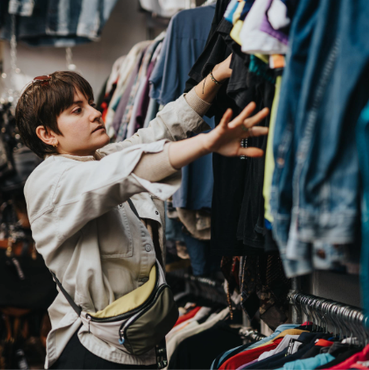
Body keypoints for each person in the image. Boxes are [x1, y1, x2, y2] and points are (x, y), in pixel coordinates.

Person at [15, 55, 269, 369]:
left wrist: (216, 76)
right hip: (94, 355)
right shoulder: (49, 182)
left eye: (92, 104)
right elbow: (127, 171)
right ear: (47, 134)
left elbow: (159, 132)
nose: (96, 114)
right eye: (77, 110)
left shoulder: (97, 158)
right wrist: (208, 143)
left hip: (129, 347)